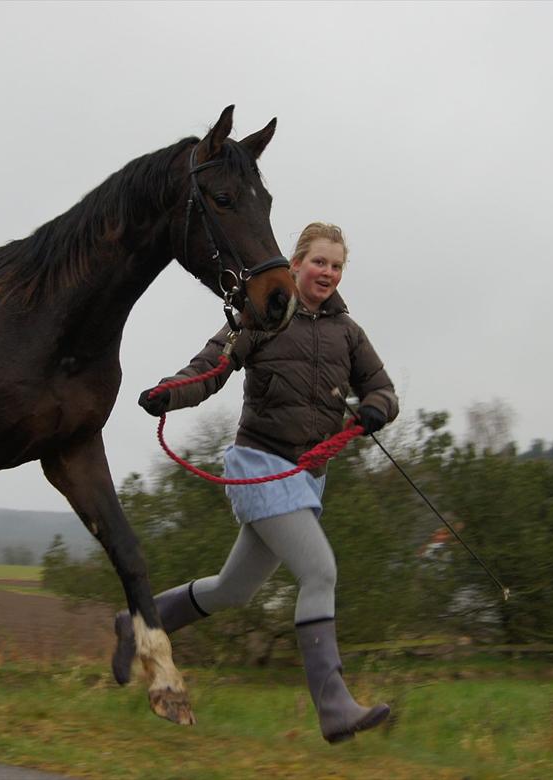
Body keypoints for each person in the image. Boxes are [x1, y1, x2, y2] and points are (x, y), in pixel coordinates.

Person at [114, 221, 400, 744]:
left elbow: (382, 389)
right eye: (319, 262)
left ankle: (136, 624)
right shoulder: (263, 313)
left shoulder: (348, 332)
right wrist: (168, 393)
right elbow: (210, 367)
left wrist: (374, 411)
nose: (328, 273)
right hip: (259, 466)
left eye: (336, 266)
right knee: (320, 571)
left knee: (233, 590)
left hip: (306, 477)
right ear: (295, 264)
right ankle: (334, 707)